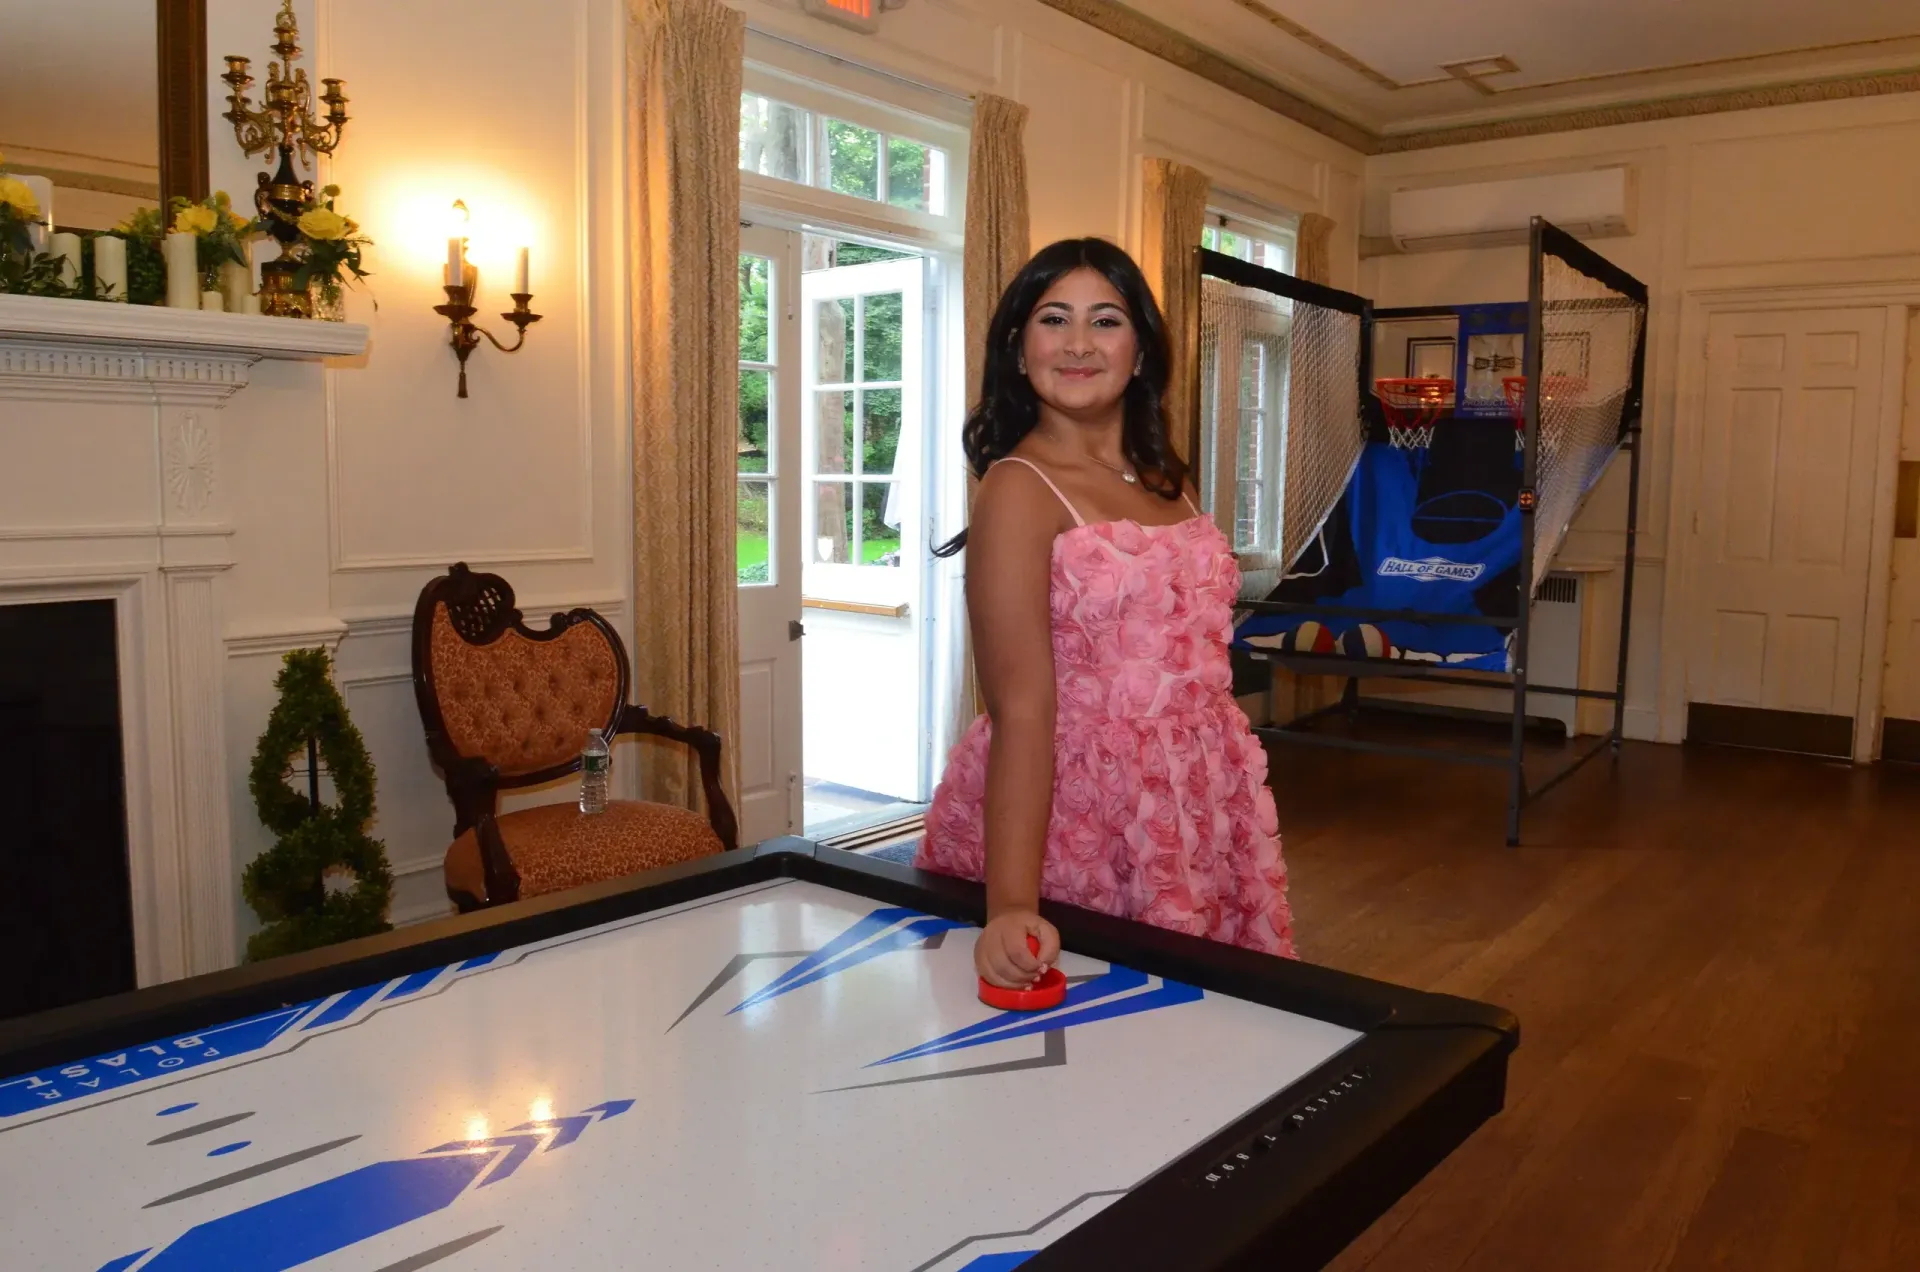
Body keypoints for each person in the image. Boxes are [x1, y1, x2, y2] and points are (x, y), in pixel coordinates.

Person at [917, 237, 1296, 992]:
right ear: (1020, 351)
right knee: (1097, 1047)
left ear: (1142, 351)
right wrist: (1012, 907)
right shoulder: (1019, 488)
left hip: (1200, 796)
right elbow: (1021, 711)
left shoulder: (1163, 475)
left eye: (1106, 320)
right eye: (1054, 319)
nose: (1080, 343)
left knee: (1206, 1029)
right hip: (1082, 811)